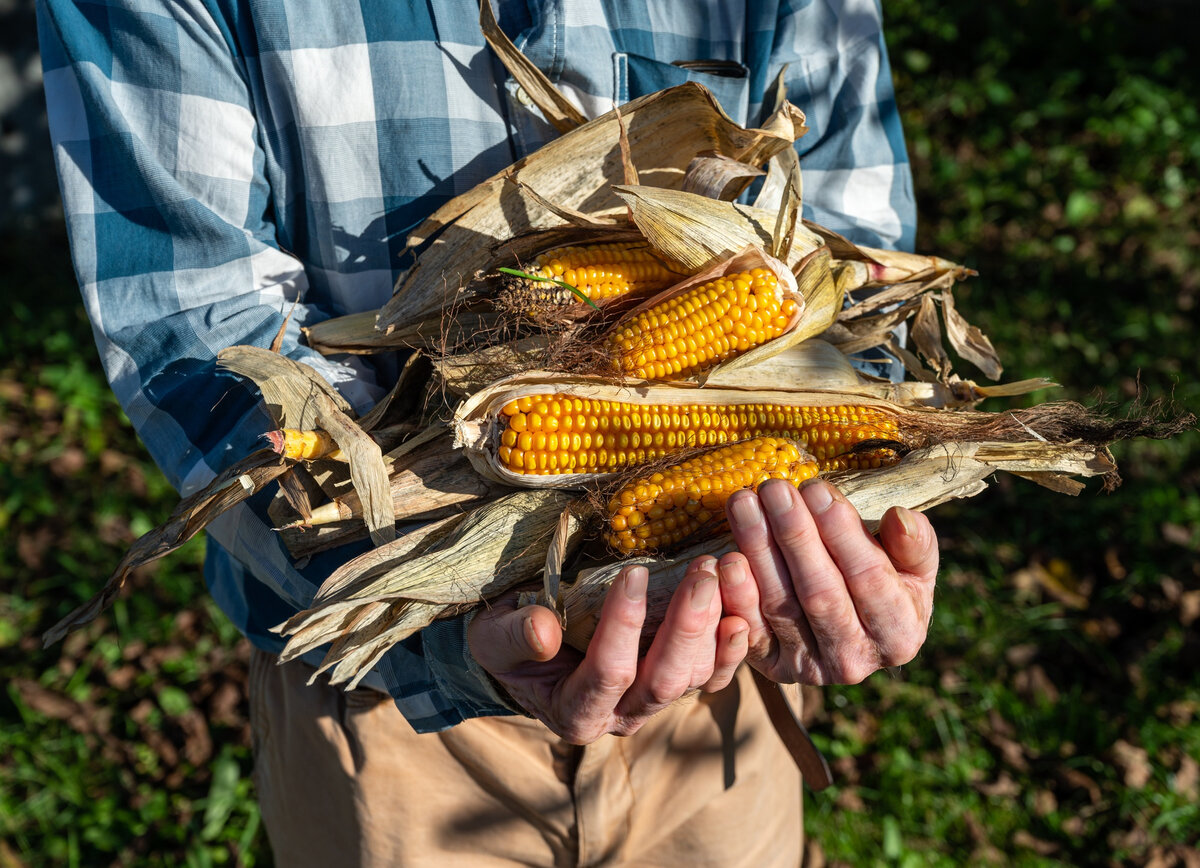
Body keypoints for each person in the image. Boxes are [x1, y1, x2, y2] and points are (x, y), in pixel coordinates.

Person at [38, 0, 938, 864]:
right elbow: (194, 326)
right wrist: (438, 624)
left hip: (723, 686)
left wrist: (832, 543)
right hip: (386, 710)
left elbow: (860, 270)